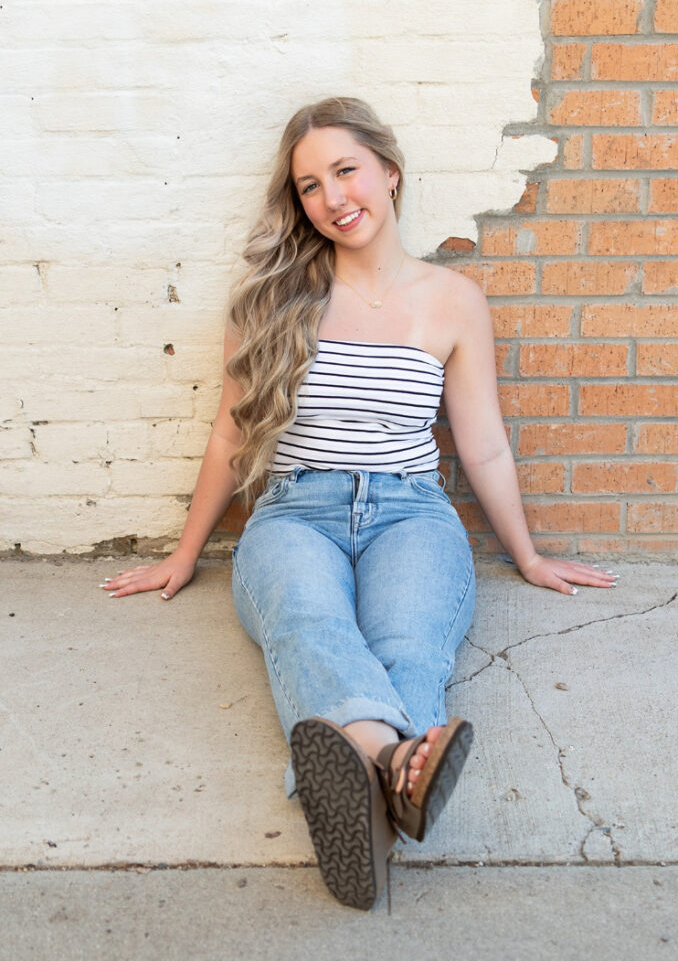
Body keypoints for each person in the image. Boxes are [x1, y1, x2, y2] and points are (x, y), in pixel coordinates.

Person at [100, 97, 617, 910]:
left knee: (407, 644)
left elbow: (481, 444)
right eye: (309, 185)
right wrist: (184, 552)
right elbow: (230, 436)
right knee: (310, 625)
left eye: (345, 171)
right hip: (293, 514)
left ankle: (362, 789)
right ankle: (397, 766)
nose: (331, 197)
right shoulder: (271, 298)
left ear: (389, 172)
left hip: (411, 514)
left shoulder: (452, 300)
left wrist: (526, 554)